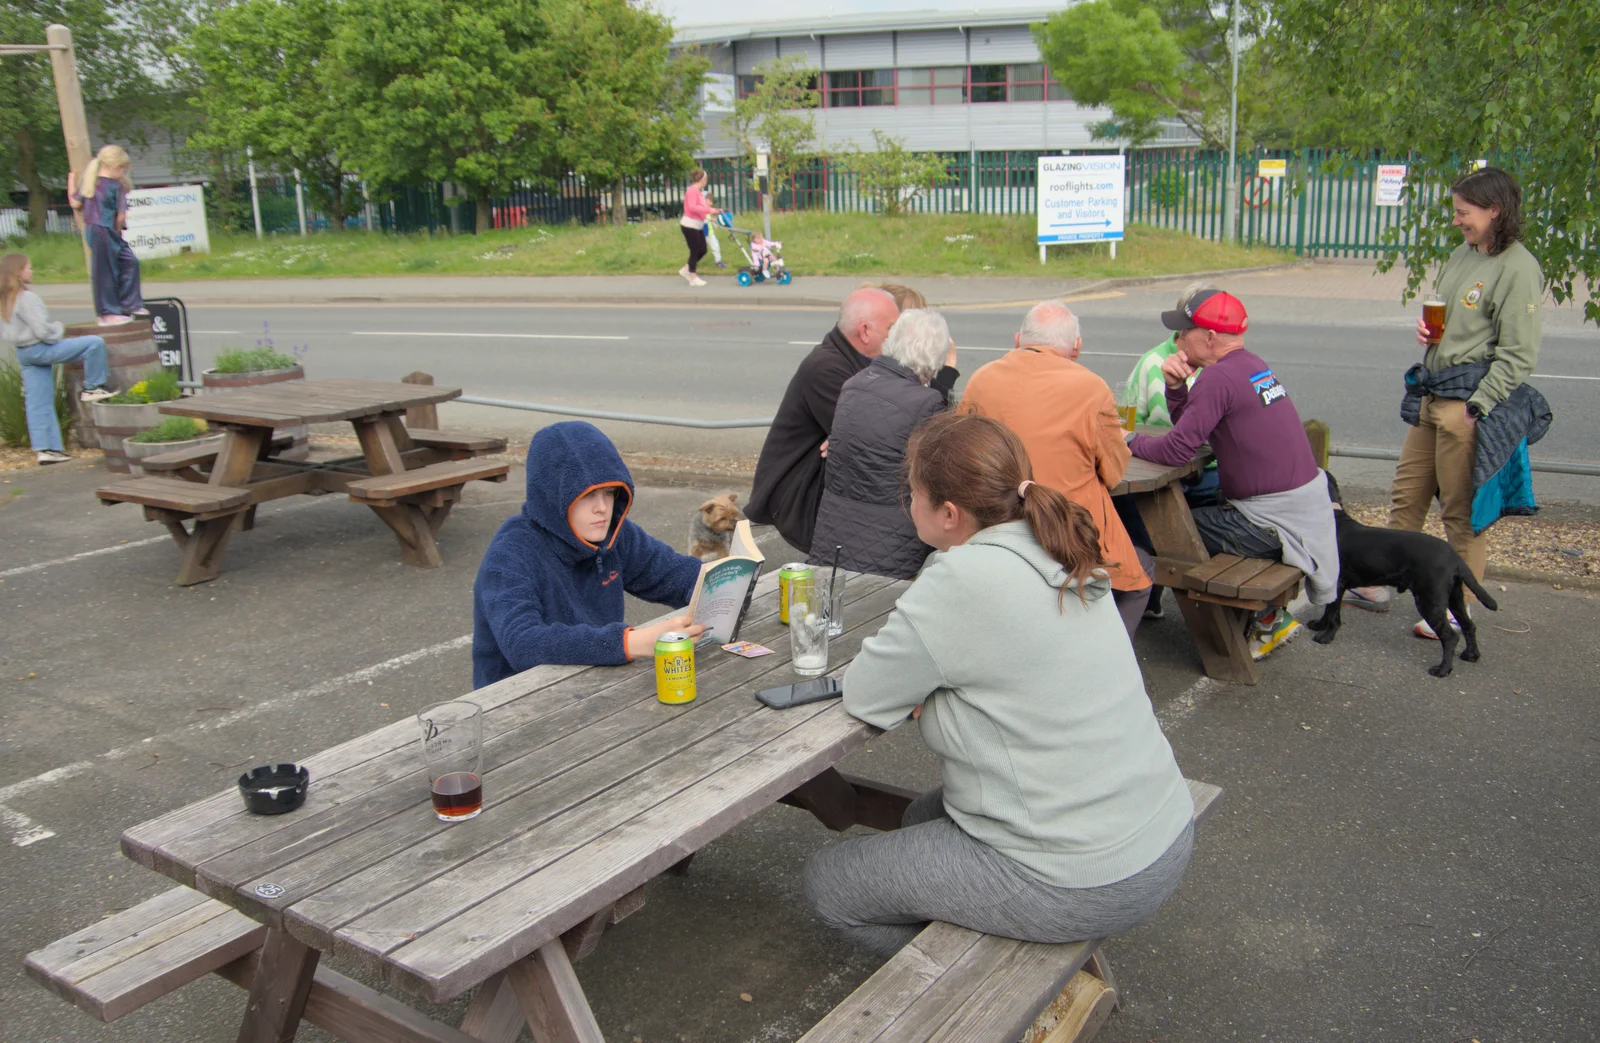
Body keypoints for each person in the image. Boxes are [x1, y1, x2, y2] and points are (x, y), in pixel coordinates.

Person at [801, 411, 1194, 958]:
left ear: (948, 513)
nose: (906, 503)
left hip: (1080, 877)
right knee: (919, 818)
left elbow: (867, 694)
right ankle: (975, 932)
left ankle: (958, 985)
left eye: (910, 491)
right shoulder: (1056, 544)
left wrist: (930, 689)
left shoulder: (961, 579)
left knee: (829, 884)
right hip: (1158, 830)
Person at [1351, 167, 1548, 641]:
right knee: (1407, 494)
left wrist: (1477, 406)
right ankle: (1380, 582)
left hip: (1467, 404)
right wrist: (1429, 336)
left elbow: (1518, 355)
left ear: (1494, 210)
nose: (1457, 220)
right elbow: (1454, 322)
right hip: (1433, 393)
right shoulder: (1462, 254)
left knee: (1461, 511)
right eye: (1456, 211)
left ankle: (1459, 610)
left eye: (1465, 212)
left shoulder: (1519, 268)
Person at [1127, 289, 1339, 660]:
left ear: (1208, 337)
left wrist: (1127, 441)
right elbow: (1191, 434)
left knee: (1148, 526)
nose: (1178, 340)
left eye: (1184, 331)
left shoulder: (1218, 378)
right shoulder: (1253, 365)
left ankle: (1132, 608)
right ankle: (1263, 615)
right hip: (1302, 516)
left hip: (1270, 526)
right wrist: (1176, 390)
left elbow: (1178, 449)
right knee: (1176, 513)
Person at [956, 302, 1154, 636]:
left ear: (1018, 339)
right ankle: (1104, 660)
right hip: (1066, 530)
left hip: (992, 524)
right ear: (1076, 347)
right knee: (1138, 575)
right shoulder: (1091, 388)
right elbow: (1115, 473)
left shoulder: (981, 378)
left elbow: (961, 449)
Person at [472, 421, 707, 688]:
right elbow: (523, 643)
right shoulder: (511, 553)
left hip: (594, 679)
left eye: (609, 493)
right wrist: (630, 642)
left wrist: (724, 578)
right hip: (515, 699)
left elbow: (672, 574)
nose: (602, 508)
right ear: (552, 496)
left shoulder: (615, 533)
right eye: (587, 495)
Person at [747, 287, 900, 553]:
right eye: (893, 328)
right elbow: (879, 441)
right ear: (865, 331)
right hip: (800, 496)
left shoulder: (856, 361)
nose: (899, 337)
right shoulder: (826, 368)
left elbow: (878, 427)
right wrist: (860, 434)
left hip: (824, 486)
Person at [809, 309, 959, 579]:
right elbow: (945, 452)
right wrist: (947, 374)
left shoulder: (854, 384)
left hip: (835, 532)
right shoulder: (926, 402)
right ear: (932, 357)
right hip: (889, 542)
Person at [1115, 283, 1221, 619]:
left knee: (1133, 502)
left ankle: (1144, 583)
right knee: (1134, 498)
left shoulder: (1216, 367)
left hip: (1197, 472)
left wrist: (1129, 440)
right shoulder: (1155, 365)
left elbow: (1137, 431)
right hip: (1175, 469)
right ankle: (1146, 586)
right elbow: (1127, 415)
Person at [0, 253, 115, 465]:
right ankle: (92, 386)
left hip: (24, 353)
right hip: (40, 348)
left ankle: (46, 450)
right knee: (94, 343)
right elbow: (42, 331)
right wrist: (58, 328)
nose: (31, 271)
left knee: (37, 402)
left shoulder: (5, 299)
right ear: (18, 272)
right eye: (29, 268)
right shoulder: (27, 298)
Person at [68, 145, 144, 325]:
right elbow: (121, 215)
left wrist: (71, 181)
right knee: (106, 270)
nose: (124, 173)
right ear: (116, 166)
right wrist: (118, 228)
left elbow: (74, 203)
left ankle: (129, 304)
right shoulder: (111, 186)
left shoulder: (93, 184)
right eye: (123, 169)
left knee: (128, 261)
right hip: (104, 229)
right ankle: (107, 312)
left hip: (99, 230)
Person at [678, 169, 721, 288]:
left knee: (703, 249)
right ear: (703, 180)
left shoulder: (699, 192)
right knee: (695, 250)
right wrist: (709, 210)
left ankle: (687, 269)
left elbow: (703, 207)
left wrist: (715, 210)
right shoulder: (692, 191)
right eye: (706, 179)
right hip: (689, 224)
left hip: (698, 225)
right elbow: (692, 207)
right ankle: (693, 277)